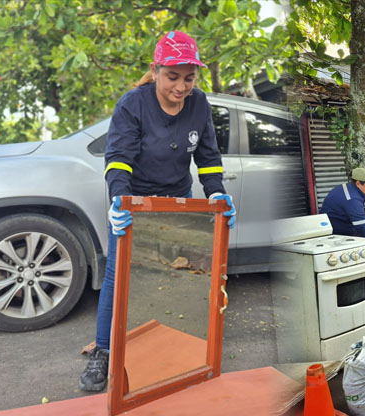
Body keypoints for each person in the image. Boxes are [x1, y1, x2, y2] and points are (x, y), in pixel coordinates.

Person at [79, 30, 236, 393]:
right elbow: (118, 158)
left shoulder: (199, 104)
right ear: (155, 70)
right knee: (117, 278)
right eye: (172, 77)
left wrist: (218, 194)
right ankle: (104, 351)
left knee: (172, 277)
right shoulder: (133, 104)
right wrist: (120, 201)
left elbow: (208, 158)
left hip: (176, 201)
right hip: (134, 202)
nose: (181, 87)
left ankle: (169, 346)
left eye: (189, 78)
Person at [319, 167, 365, 261]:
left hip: (345, 228)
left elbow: (360, 215)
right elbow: (362, 227)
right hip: (337, 234)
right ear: (358, 183)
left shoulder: (351, 189)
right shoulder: (352, 199)